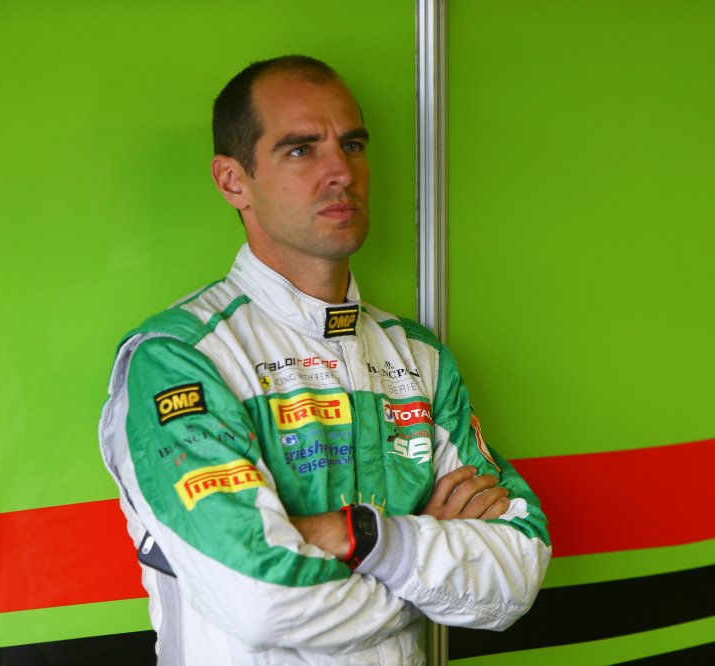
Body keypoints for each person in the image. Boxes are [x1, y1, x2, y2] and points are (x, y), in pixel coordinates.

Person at [98, 55, 551, 665]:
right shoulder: (181, 358)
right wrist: (417, 568)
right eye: (300, 149)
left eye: (353, 145)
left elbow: (518, 571)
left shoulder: (419, 357)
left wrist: (362, 538)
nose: (341, 172)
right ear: (233, 181)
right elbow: (259, 601)